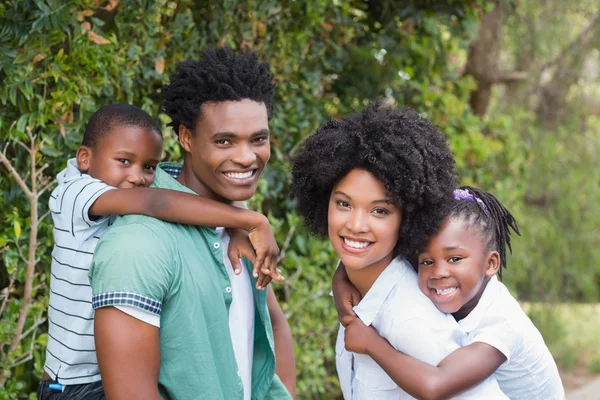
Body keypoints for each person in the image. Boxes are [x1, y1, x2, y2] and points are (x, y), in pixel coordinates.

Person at [89, 48, 295, 400]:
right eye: (224, 141)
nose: (247, 157)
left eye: (258, 139)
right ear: (186, 138)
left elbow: (272, 325)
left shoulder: (241, 228)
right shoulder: (139, 244)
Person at [38, 103, 284, 399]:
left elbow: (177, 197)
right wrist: (250, 220)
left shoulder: (122, 197)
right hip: (75, 385)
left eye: (149, 166)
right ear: (85, 158)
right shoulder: (73, 193)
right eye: (124, 161)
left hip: (108, 372)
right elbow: (157, 203)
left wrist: (232, 222)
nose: (138, 176)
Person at [292, 103, 507, 399]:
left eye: (379, 211)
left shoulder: (410, 317)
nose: (355, 225)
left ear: (408, 219)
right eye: (344, 203)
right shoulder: (359, 286)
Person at [338, 186, 564, 399]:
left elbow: (436, 386)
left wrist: (371, 344)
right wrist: (340, 280)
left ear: (491, 263)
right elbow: (377, 256)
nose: (438, 272)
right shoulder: (465, 290)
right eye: (426, 261)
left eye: (454, 259)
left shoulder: (501, 323)